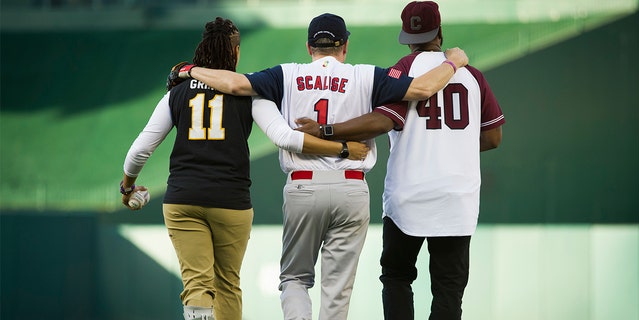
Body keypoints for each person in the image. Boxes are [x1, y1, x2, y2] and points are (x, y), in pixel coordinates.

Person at [168, 12, 468, 320]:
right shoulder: (366, 74)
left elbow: (232, 84)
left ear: (310, 47)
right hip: (352, 186)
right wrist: (453, 62)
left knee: (295, 279)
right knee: (337, 290)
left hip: (303, 184)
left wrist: (190, 70)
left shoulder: (286, 73)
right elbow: (421, 89)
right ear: (345, 47)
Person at [121, 17, 369, 320]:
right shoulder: (249, 93)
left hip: (184, 198)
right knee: (227, 284)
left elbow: (140, 150)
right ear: (235, 53)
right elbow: (285, 138)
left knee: (197, 283)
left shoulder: (177, 93)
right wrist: (342, 148)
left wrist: (128, 186)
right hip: (231, 201)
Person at [294, 2, 505, 319]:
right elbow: (492, 137)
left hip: (409, 194)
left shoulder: (403, 69)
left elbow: (382, 121)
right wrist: (451, 145)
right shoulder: (472, 76)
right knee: (448, 289)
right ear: (440, 32)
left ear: (407, 37)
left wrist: (328, 131)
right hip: (457, 197)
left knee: (397, 277)